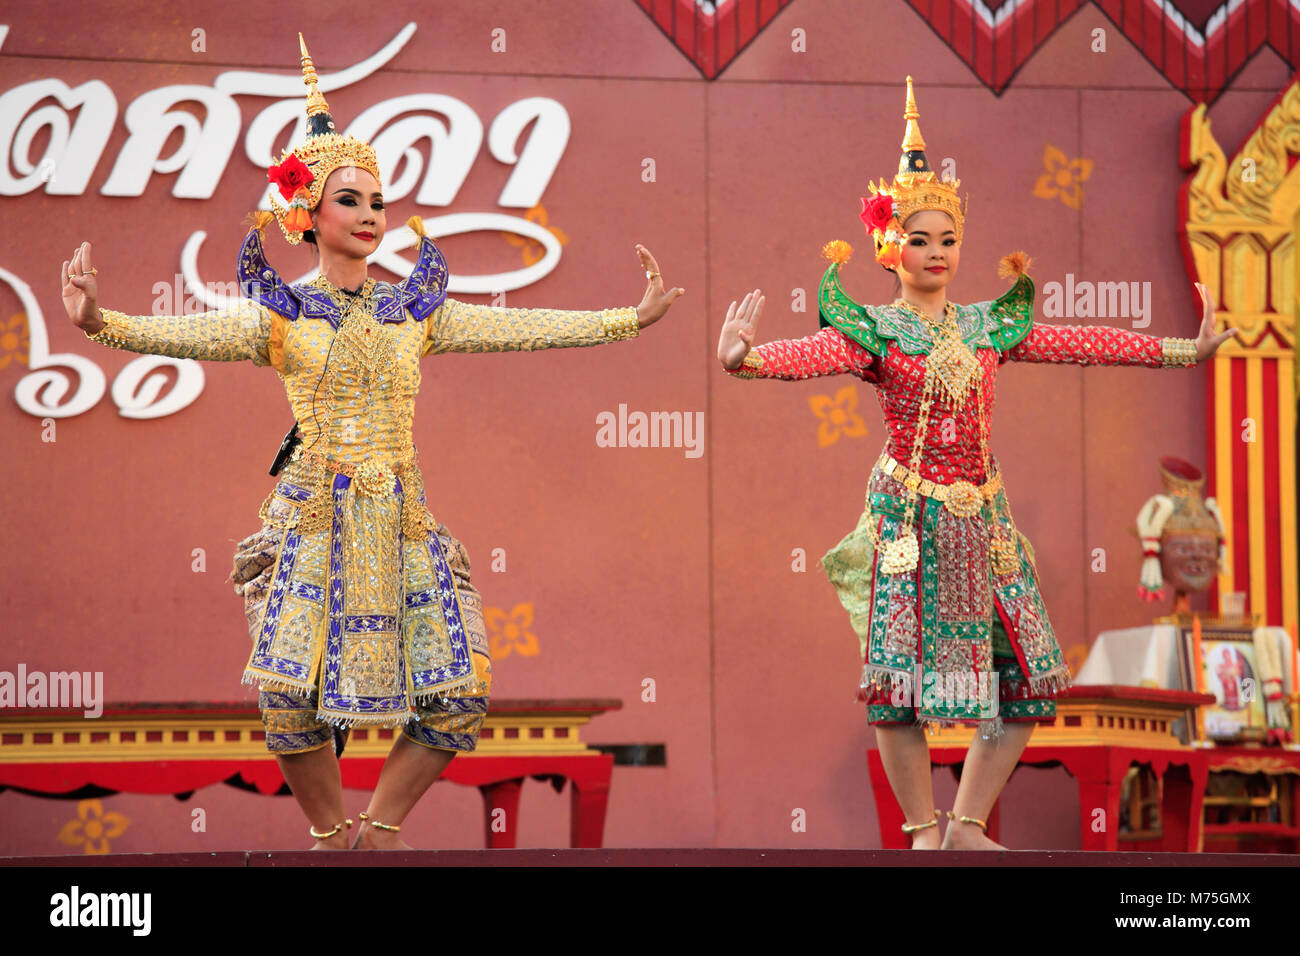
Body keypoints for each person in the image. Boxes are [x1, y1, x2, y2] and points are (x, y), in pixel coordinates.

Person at [62, 36, 683, 850]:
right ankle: (332, 839)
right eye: (350, 201)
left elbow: (520, 325)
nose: (370, 217)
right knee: (288, 699)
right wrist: (99, 323)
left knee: (457, 698)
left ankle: (380, 832)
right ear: (307, 215)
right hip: (314, 520)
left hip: (401, 523)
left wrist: (623, 321)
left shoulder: (415, 311)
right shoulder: (279, 315)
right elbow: (190, 334)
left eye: (378, 203)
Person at [716, 76, 1235, 850]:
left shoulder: (990, 324)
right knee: (899, 691)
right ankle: (923, 830)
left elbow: (1082, 342)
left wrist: (1181, 351)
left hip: (985, 520)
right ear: (888, 245)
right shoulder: (876, 328)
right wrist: (749, 361)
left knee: (1024, 683)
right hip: (909, 523)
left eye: (948, 239)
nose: (936, 254)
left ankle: (965, 825)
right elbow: (815, 352)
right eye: (919, 239)